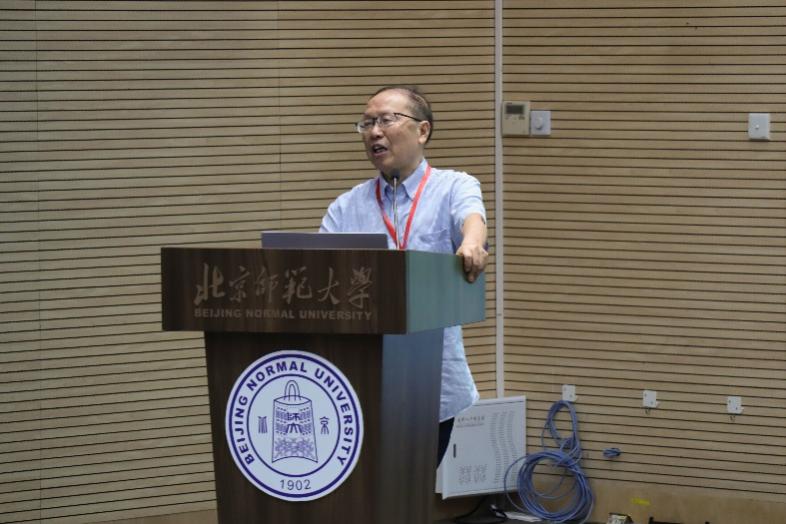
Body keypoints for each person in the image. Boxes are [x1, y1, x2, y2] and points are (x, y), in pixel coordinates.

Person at [320, 85, 488, 466]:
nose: (374, 132)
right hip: (357, 383)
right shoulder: (346, 207)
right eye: (367, 123)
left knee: (409, 491)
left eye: (386, 120)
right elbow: (317, 274)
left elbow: (472, 218)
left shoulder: (453, 186)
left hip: (433, 384)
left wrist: (472, 243)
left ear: (422, 131)